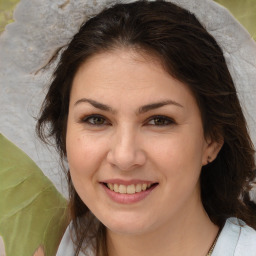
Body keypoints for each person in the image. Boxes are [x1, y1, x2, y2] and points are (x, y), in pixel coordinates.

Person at [36, 0, 256, 255]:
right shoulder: (36, 244)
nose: (124, 157)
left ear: (212, 139)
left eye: (159, 120)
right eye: (96, 119)